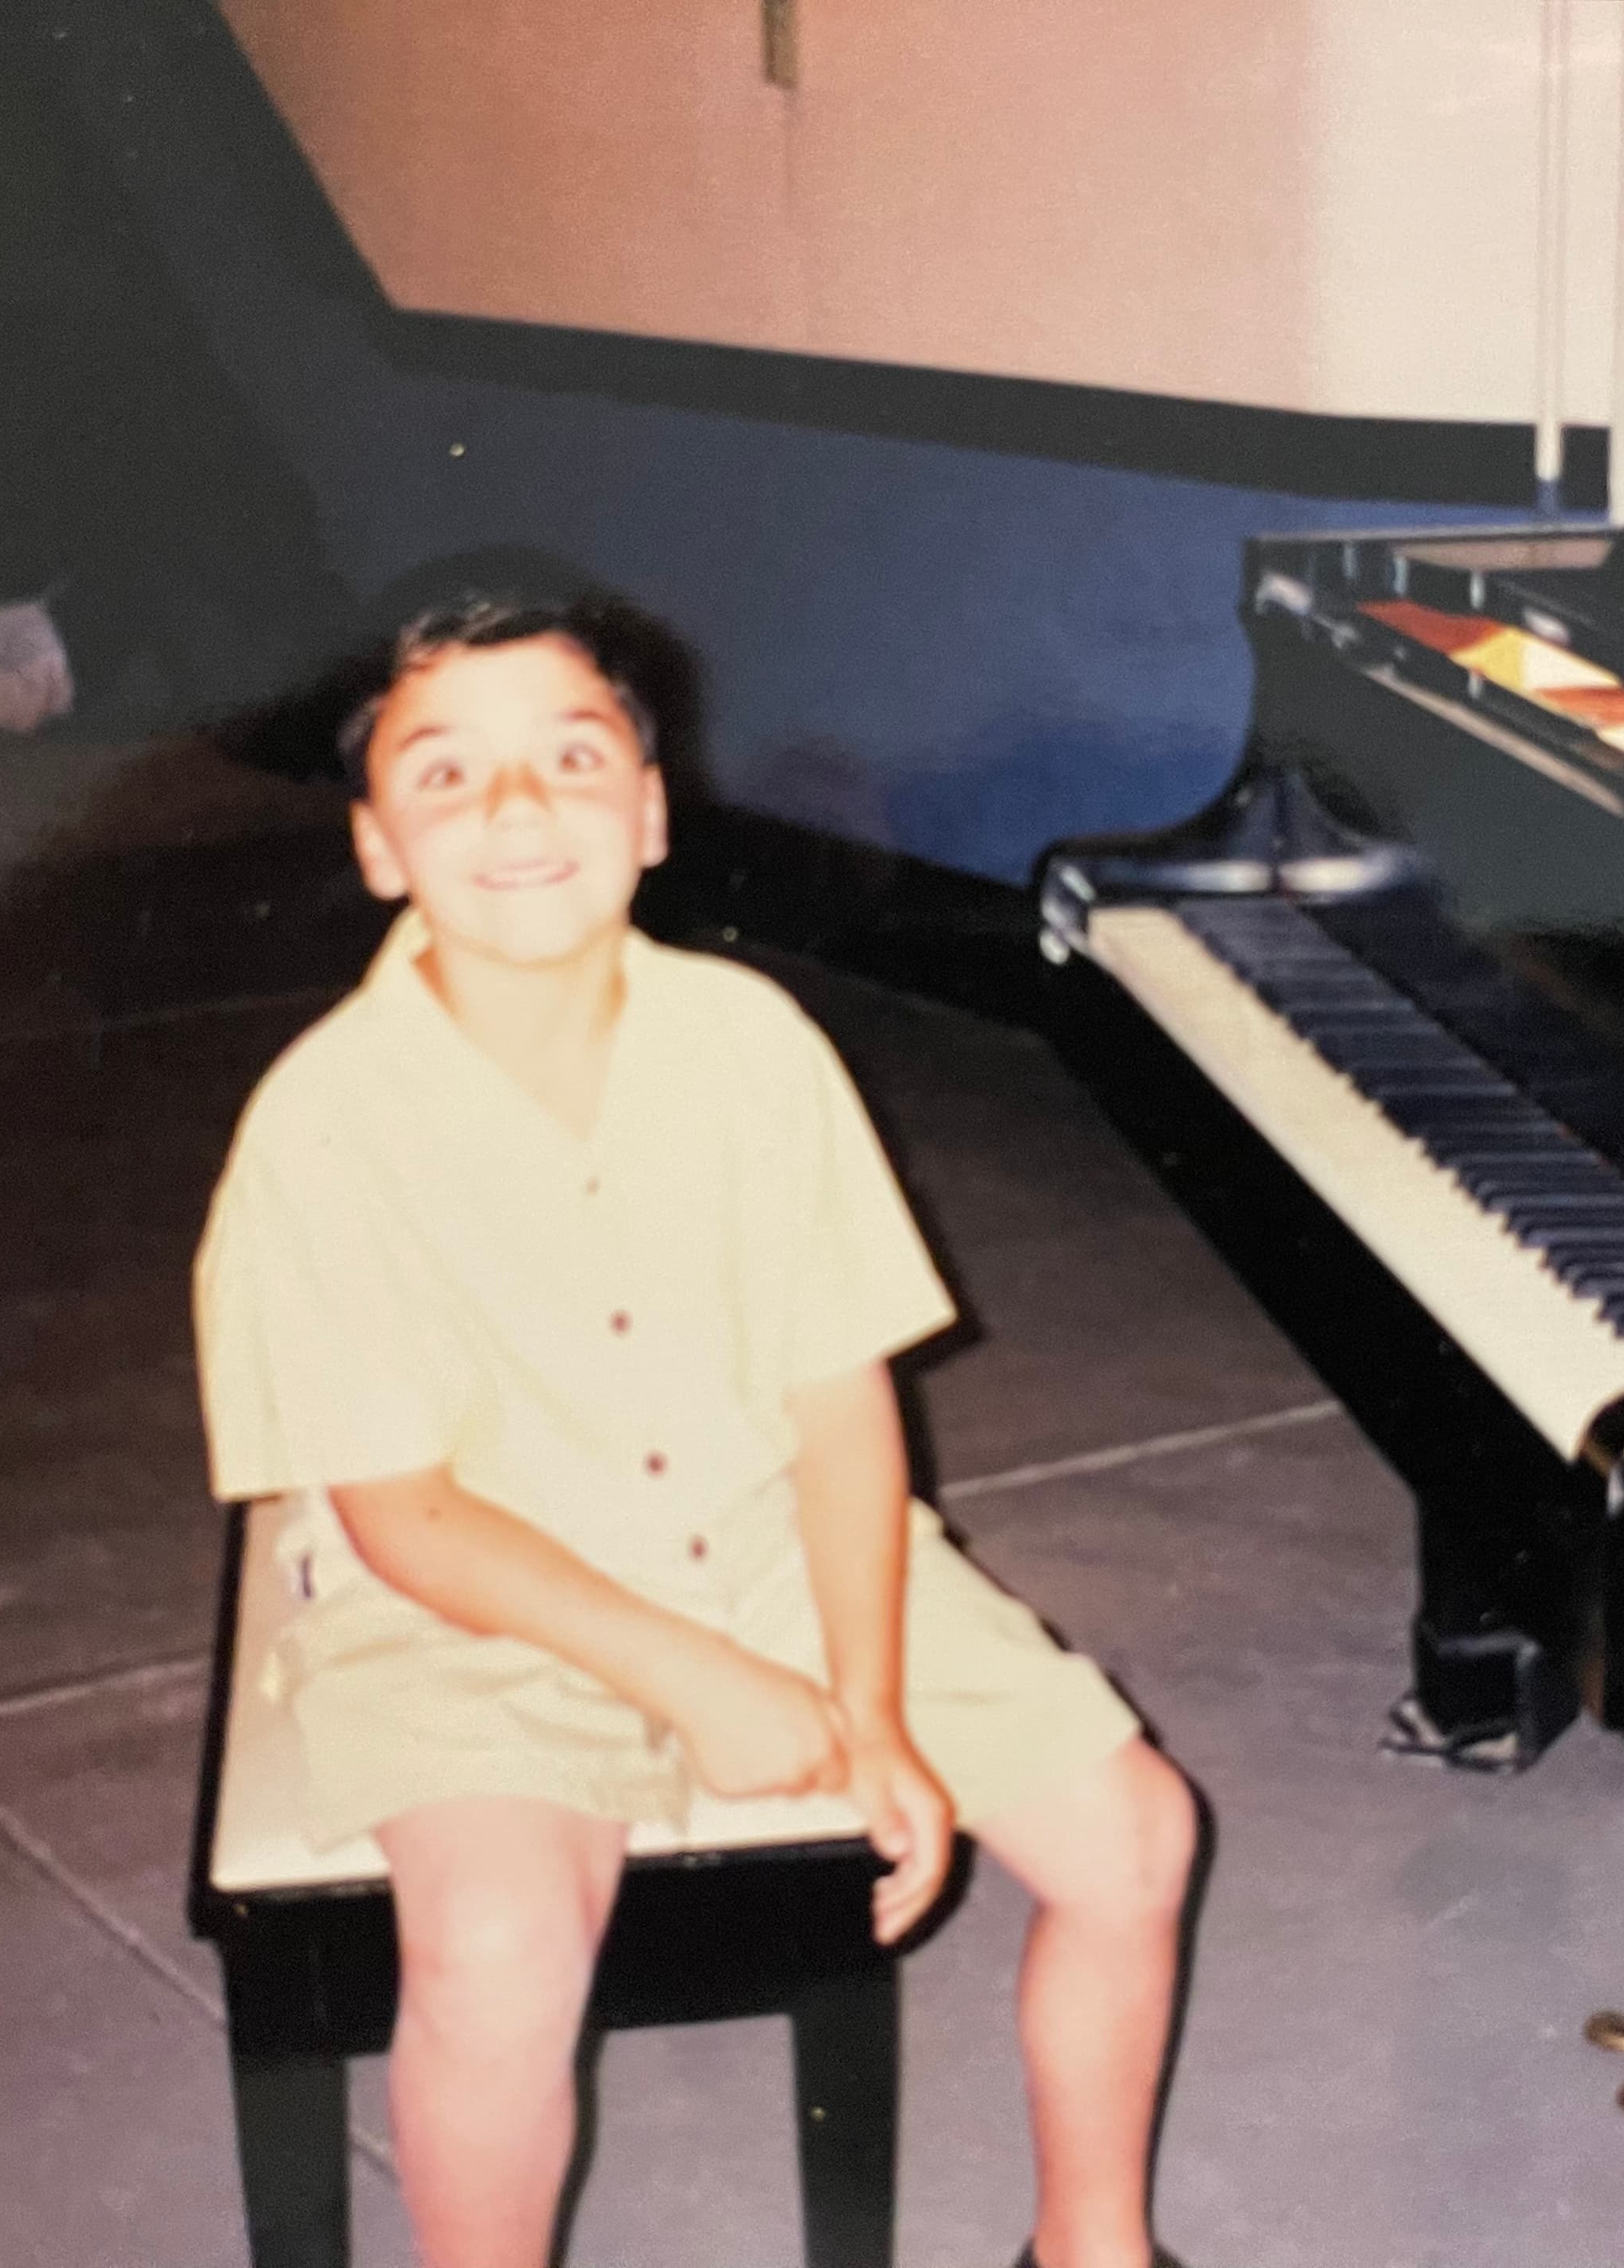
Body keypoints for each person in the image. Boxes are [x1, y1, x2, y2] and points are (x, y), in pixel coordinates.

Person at [191, 589, 1200, 2268]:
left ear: (650, 815)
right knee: (504, 1944)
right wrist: (704, 1682)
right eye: (448, 777)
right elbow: (401, 1515)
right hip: (466, 1609)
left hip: (767, 1542)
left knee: (1136, 1833)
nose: (518, 809)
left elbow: (836, 1399)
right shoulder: (322, 1124)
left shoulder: (756, 1048)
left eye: (571, 758)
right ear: (378, 848)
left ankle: (1093, 2248)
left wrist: (865, 1706)